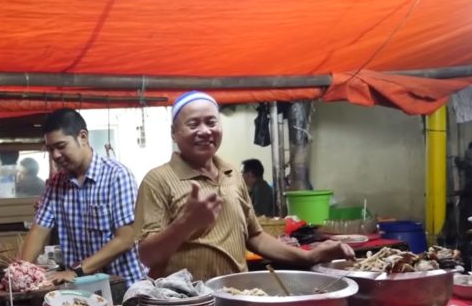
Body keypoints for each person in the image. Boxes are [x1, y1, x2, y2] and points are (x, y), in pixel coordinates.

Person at [135, 91, 353, 280]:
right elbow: (147, 256)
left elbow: (254, 236)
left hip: (233, 297)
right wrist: (186, 222)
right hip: (186, 305)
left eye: (211, 122)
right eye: (193, 124)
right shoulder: (158, 180)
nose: (205, 131)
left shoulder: (232, 175)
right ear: (174, 132)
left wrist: (309, 256)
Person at [20, 108, 146, 285]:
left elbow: (126, 238)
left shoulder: (117, 176)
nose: (55, 155)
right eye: (50, 149)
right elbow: (38, 231)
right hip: (85, 288)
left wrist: (77, 271)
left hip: (125, 288)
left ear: (83, 137)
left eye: (61, 146)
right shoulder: (56, 184)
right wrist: (20, 272)